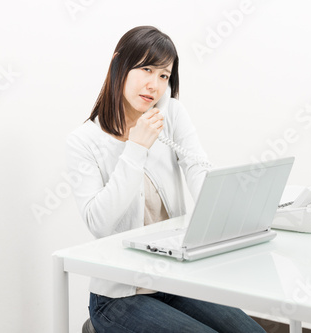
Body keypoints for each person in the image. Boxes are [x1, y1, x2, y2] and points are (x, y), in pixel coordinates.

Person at [65, 26, 265, 333]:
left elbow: (198, 169)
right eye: (146, 69)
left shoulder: (171, 114)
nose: (154, 85)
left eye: (163, 75)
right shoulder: (83, 141)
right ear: (119, 65)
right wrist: (136, 148)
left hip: (175, 279)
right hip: (118, 297)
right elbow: (99, 223)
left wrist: (227, 214)